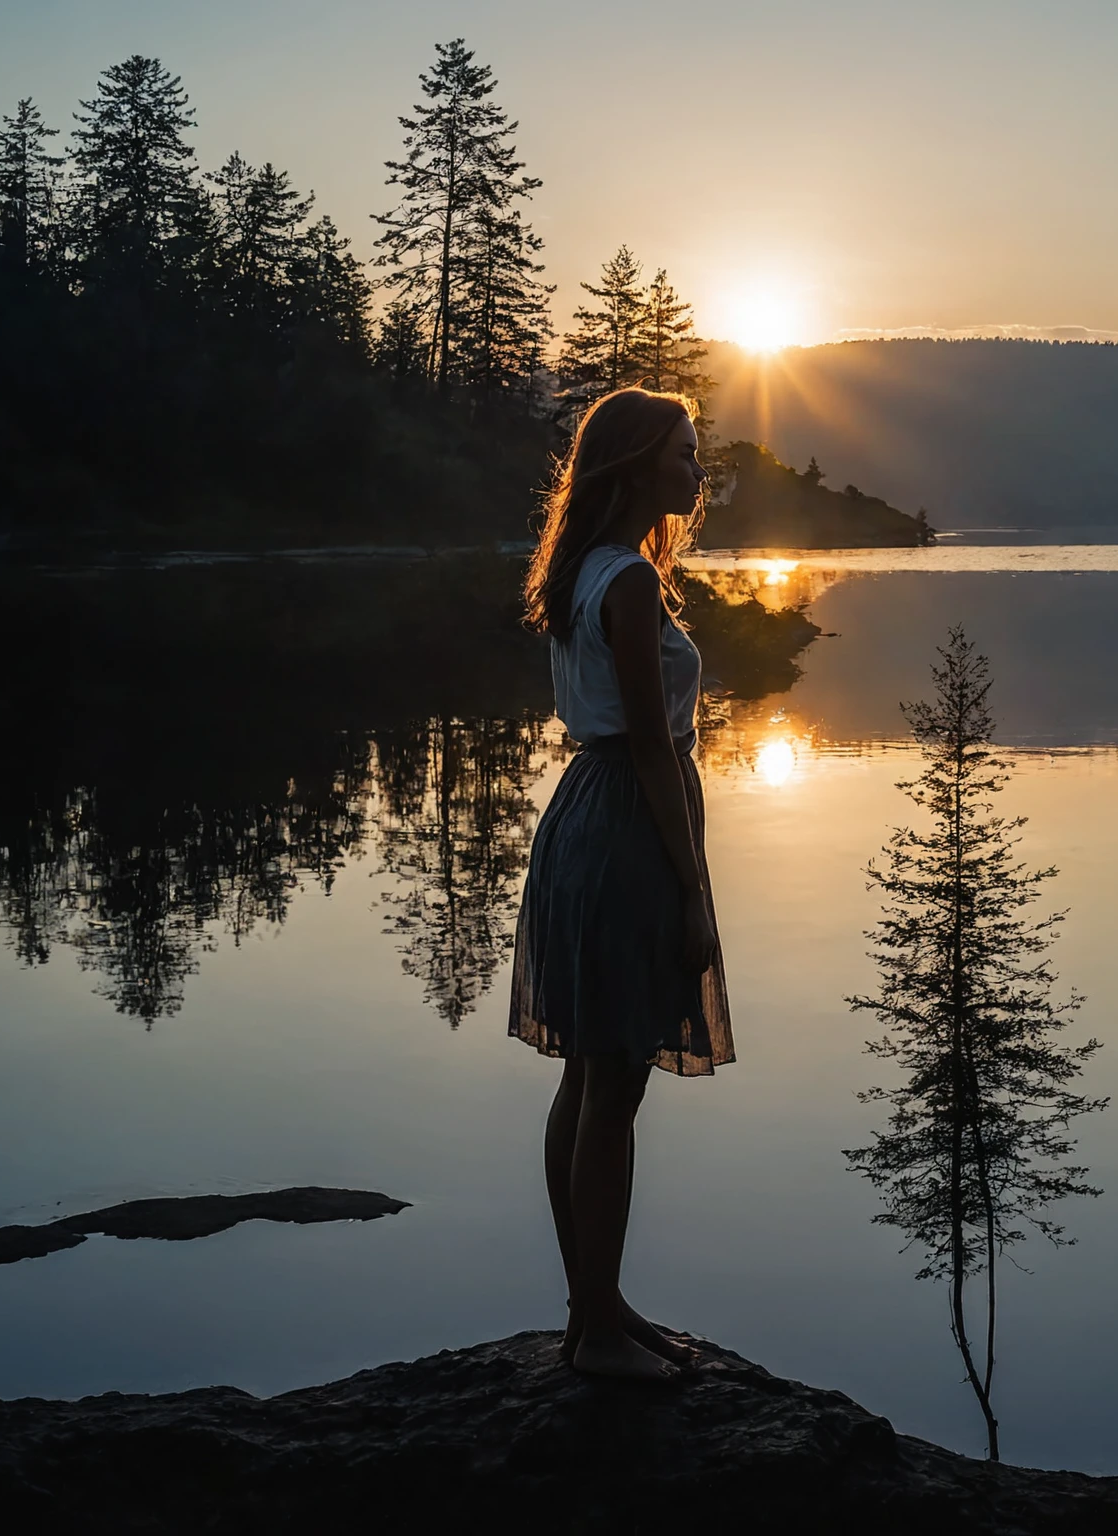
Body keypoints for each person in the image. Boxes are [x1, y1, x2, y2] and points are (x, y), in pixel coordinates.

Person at [512, 387, 735, 1381]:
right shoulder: (631, 585)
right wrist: (692, 891)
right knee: (615, 1085)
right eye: (686, 454)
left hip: (581, 819)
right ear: (639, 467)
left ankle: (594, 1308)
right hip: (627, 830)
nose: (700, 470)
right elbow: (653, 744)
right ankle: (597, 1334)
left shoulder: (588, 569)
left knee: (587, 1075)